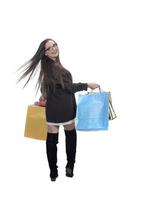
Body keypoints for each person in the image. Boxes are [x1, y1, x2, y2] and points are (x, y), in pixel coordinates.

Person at [17, 38, 99, 181]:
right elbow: (70, 88)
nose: (54, 48)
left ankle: (53, 173)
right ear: (45, 53)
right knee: (70, 138)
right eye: (49, 48)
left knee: (51, 142)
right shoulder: (58, 69)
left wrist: (44, 96)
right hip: (66, 109)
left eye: (54, 45)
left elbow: (46, 88)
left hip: (52, 111)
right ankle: (70, 167)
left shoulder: (46, 68)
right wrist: (87, 84)